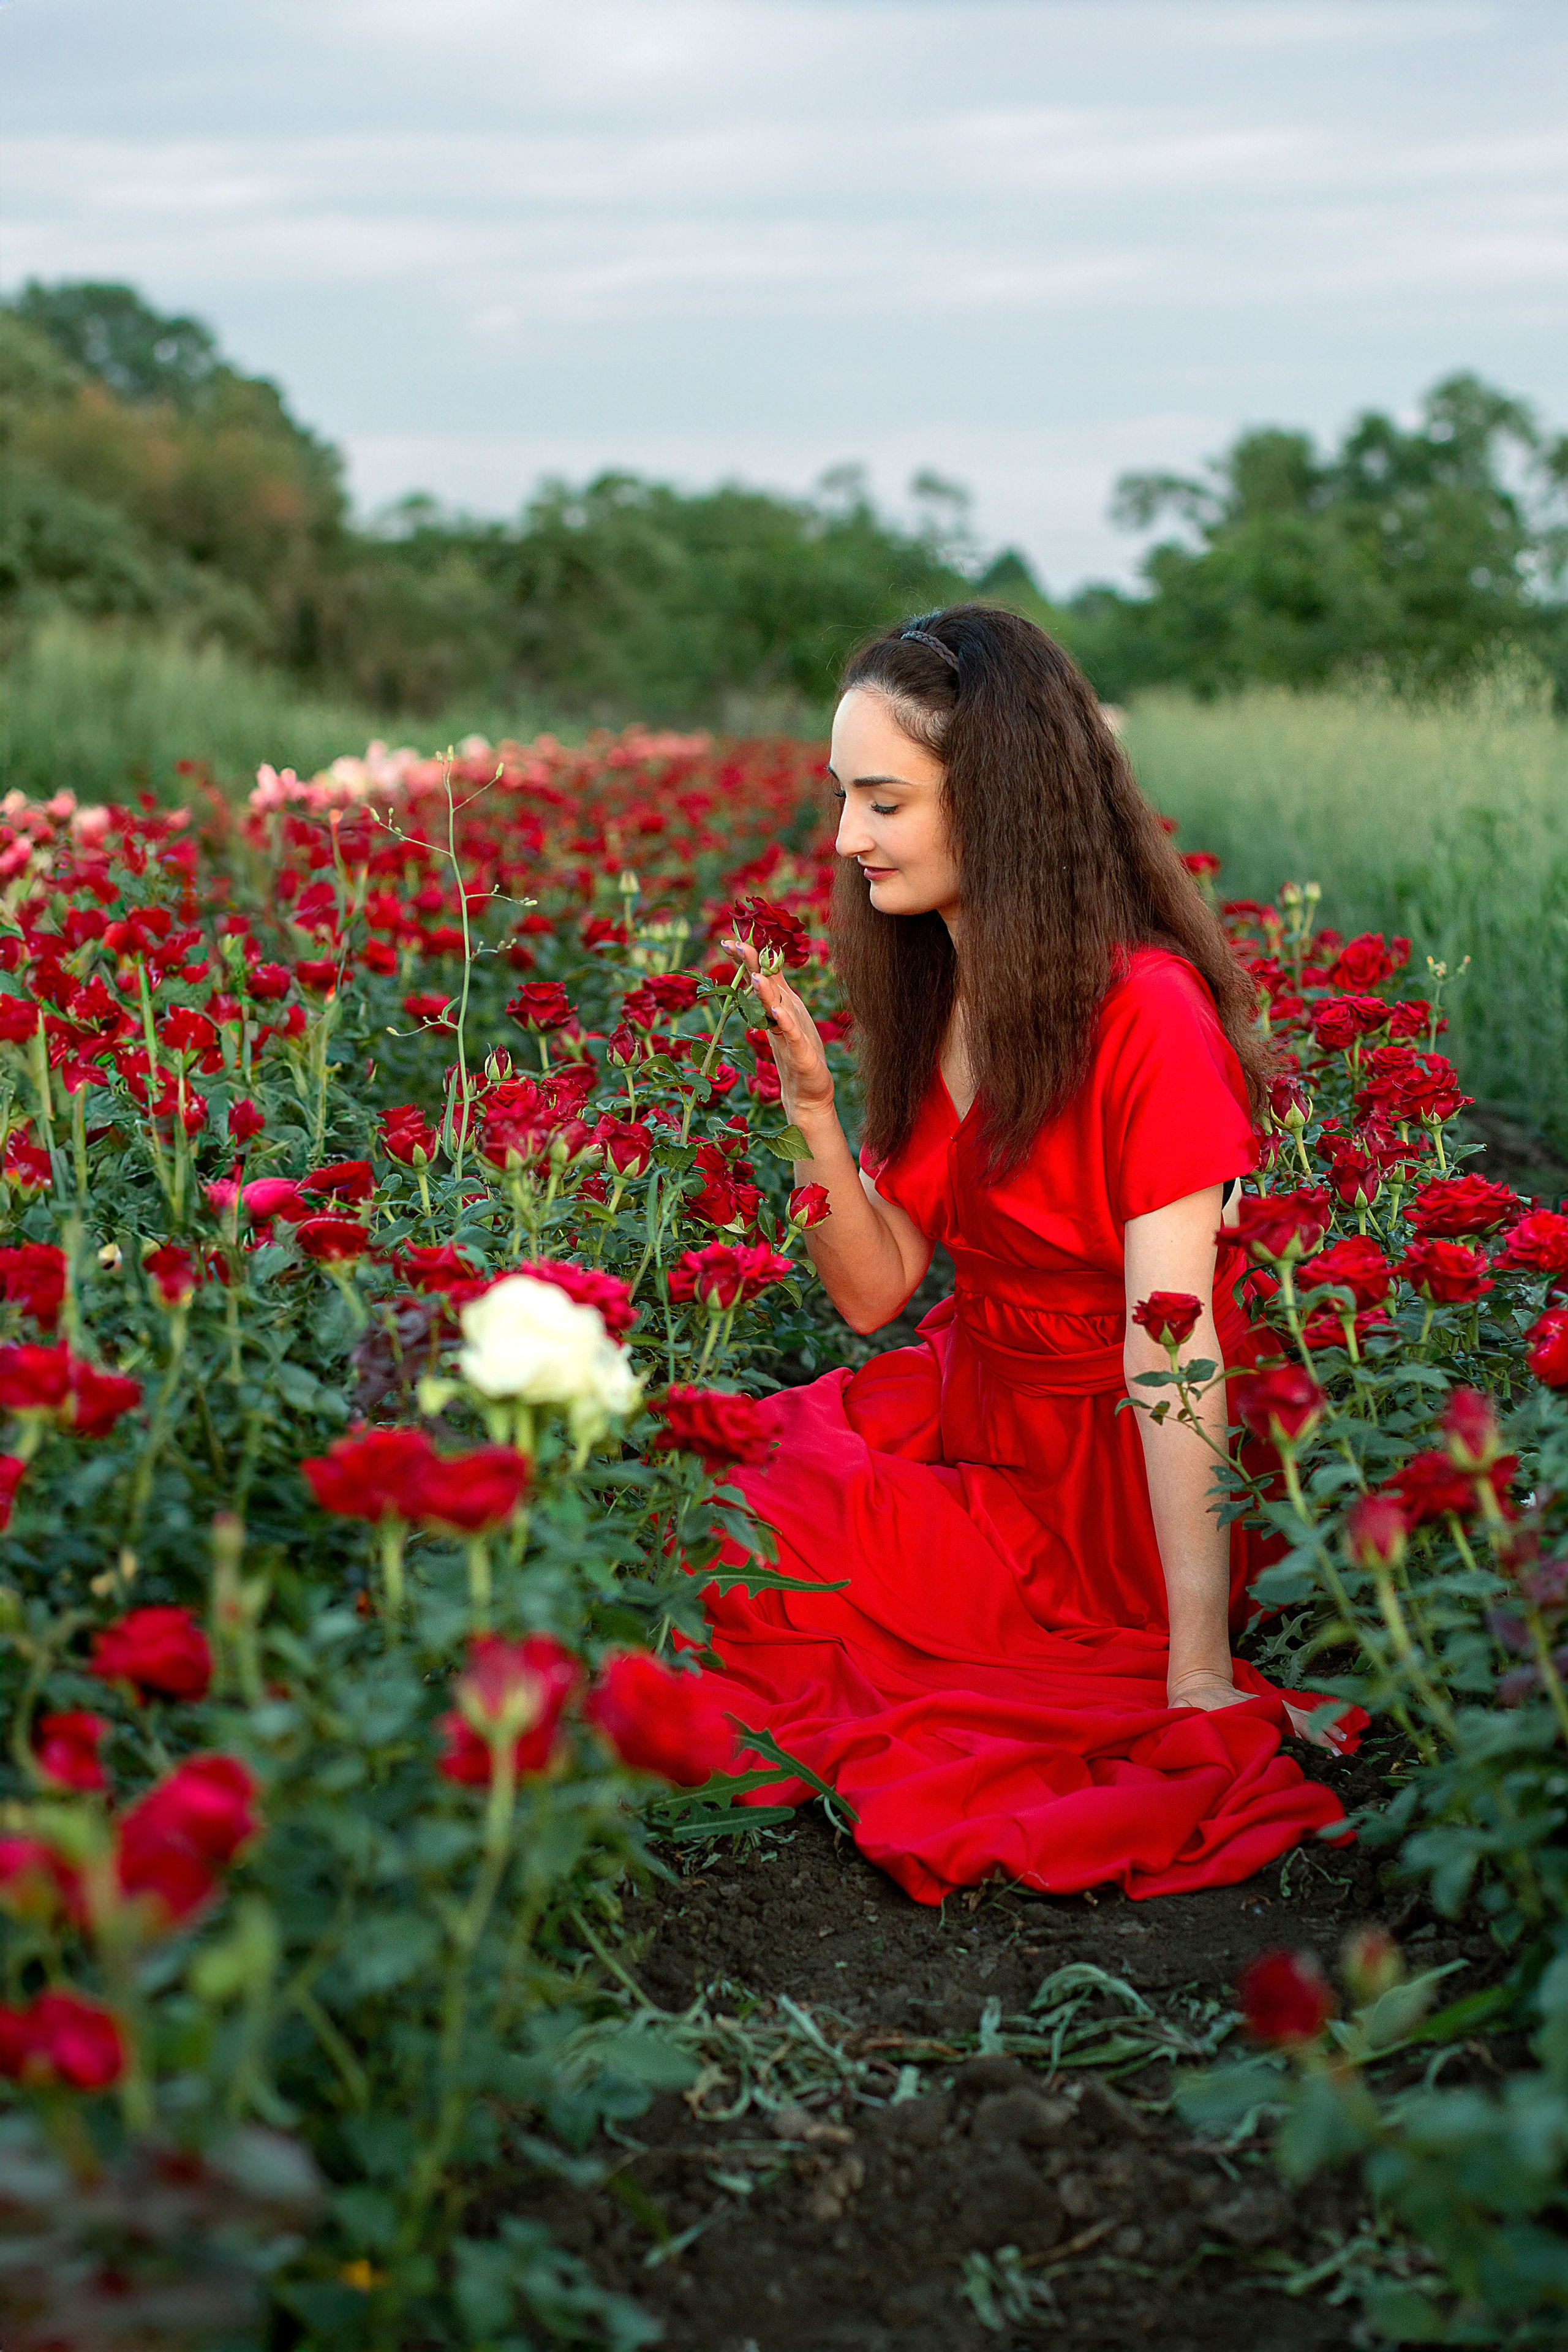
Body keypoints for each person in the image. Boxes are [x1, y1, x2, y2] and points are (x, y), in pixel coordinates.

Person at [703, 603, 1361, 1906]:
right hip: (972, 1401)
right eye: (842, 798)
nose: (844, 841)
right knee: (709, 1507)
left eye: (881, 802)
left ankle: (1122, 1644)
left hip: (1105, 1477)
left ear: (995, 801)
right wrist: (813, 1118)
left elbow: (1170, 1346)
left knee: (791, 1576)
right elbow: (877, 1292)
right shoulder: (943, 986)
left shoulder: (1143, 1015)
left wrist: (1193, 1666)